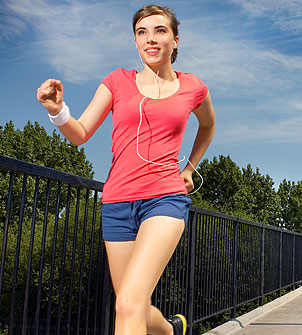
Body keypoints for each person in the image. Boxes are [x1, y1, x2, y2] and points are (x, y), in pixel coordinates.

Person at [36, 4, 215, 335]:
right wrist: (58, 111)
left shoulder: (193, 87)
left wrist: (189, 169)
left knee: (128, 305)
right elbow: (80, 133)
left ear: (176, 40)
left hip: (165, 199)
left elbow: (207, 127)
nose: (151, 39)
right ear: (135, 41)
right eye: (142, 32)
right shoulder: (117, 81)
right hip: (117, 203)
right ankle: (174, 329)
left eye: (160, 31)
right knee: (135, 306)